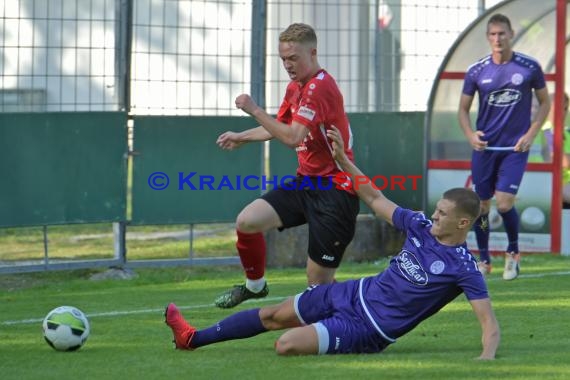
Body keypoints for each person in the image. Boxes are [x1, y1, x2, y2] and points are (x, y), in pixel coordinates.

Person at [164, 126, 501, 359]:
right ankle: (191, 338)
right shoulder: (418, 225)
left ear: (462, 223)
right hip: (352, 293)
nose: (435, 216)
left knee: (286, 345)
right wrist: (342, 160)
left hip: (369, 328)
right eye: (436, 210)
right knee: (272, 315)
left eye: (442, 214)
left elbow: (488, 323)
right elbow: (375, 197)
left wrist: (486, 357)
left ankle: (324, 331)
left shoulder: (464, 268)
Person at [213, 23, 359, 308]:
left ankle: (362, 312)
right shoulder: (296, 87)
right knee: (247, 221)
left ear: (313, 53)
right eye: (283, 59)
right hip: (306, 184)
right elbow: (281, 127)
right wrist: (242, 137)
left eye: (293, 58)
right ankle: (255, 286)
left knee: (318, 287)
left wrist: (254, 110)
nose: (288, 65)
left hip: (335, 191)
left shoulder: (319, 86)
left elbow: (293, 137)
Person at [458, 13, 551, 280]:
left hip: (515, 149)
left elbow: (545, 103)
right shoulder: (477, 70)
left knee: (505, 203)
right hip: (484, 149)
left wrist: (532, 133)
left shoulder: (528, 67)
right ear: (488, 38)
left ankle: (512, 254)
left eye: (502, 33)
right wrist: (470, 134)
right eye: (493, 34)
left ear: (511, 34)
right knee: (483, 208)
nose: (497, 39)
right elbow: (462, 110)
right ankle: (485, 260)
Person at [540, 93, 570, 207]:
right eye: (558, 107)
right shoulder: (545, 132)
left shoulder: (566, 132)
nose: (563, 112)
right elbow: (561, 161)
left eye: (565, 108)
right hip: (552, 186)